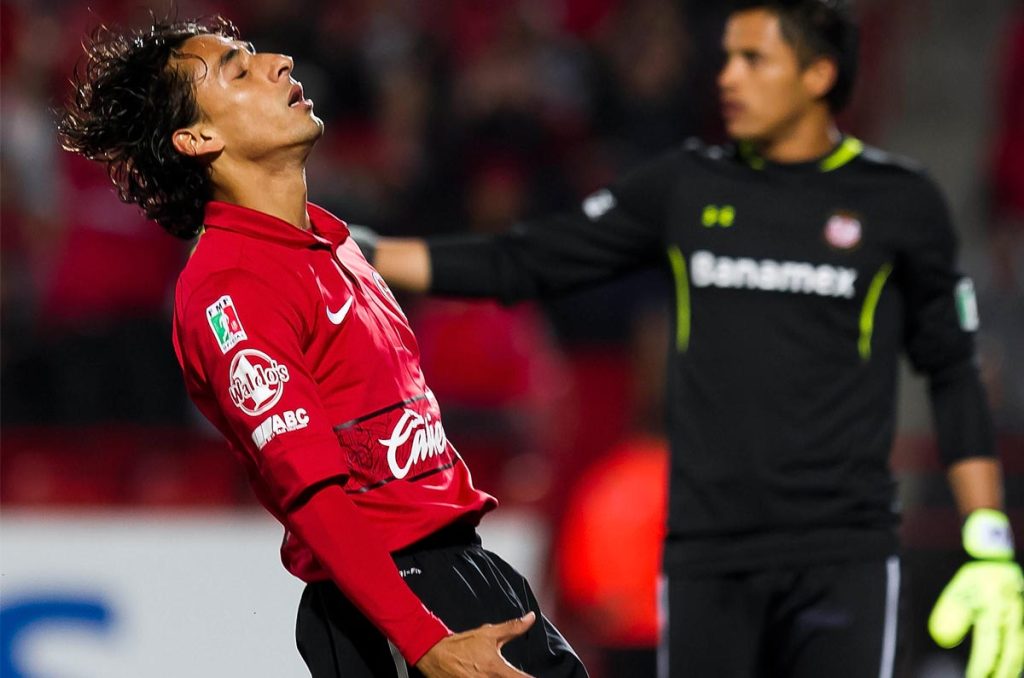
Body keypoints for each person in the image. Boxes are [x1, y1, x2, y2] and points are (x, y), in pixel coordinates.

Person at [365, 1, 1024, 676]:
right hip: (710, 555)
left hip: (843, 556)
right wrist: (368, 252)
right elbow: (524, 259)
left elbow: (954, 371)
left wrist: (989, 540)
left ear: (820, 74)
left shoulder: (900, 202)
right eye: (727, 58)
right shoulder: (686, 185)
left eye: (753, 60)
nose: (728, 78)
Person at [57, 15, 588, 678]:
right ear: (198, 137)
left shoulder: (331, 243)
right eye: (237, 70)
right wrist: (423, 641)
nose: (278, 62)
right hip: (401, 600)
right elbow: (310, 492)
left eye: (257, 54)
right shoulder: (233, 287)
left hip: (461, 571)